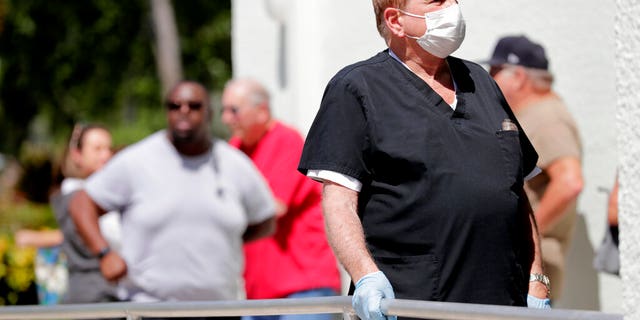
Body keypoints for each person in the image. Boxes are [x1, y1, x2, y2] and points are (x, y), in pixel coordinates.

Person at [297, 1, 551, 319]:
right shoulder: (358, 88)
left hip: (501, 302)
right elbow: (339, 200)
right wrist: (366, 275)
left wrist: (536, 277)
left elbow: (516, 193)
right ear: (396, 21)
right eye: (437, 0)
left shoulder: (480, 82)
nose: (453, 8)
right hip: (414, 302)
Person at [69, 80, 276, 320]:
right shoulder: (137, 160)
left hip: (222, 310)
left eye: (194, 105)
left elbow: (266, 219)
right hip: (149, 310)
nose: (184, 111)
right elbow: (82, 202)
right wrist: (104, 253)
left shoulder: (233, 164)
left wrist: (225, 235)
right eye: (174, 105)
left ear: (209, 112)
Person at [220, 78, 341, 320]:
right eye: (223, 110)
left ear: (262, 111)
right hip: (258, 295)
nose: (226, 118)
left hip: (304, 290)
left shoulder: (286, 140)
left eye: (234, 110)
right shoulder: (234, 150)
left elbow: (273, 207)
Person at [486, 35, 584, 301]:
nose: (489, 77)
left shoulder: (547, 117)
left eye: (495, 71)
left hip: (530, 267)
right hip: (525, 264)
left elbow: (569, 182)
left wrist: (525, 236)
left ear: (518, 76)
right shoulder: (536, 113)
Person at [53, 123, 122, 304]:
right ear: (77, 154)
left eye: (108, 148)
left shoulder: (104, 194)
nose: (106, 155)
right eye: (97, 149)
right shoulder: (74, 196)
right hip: (94, 297)